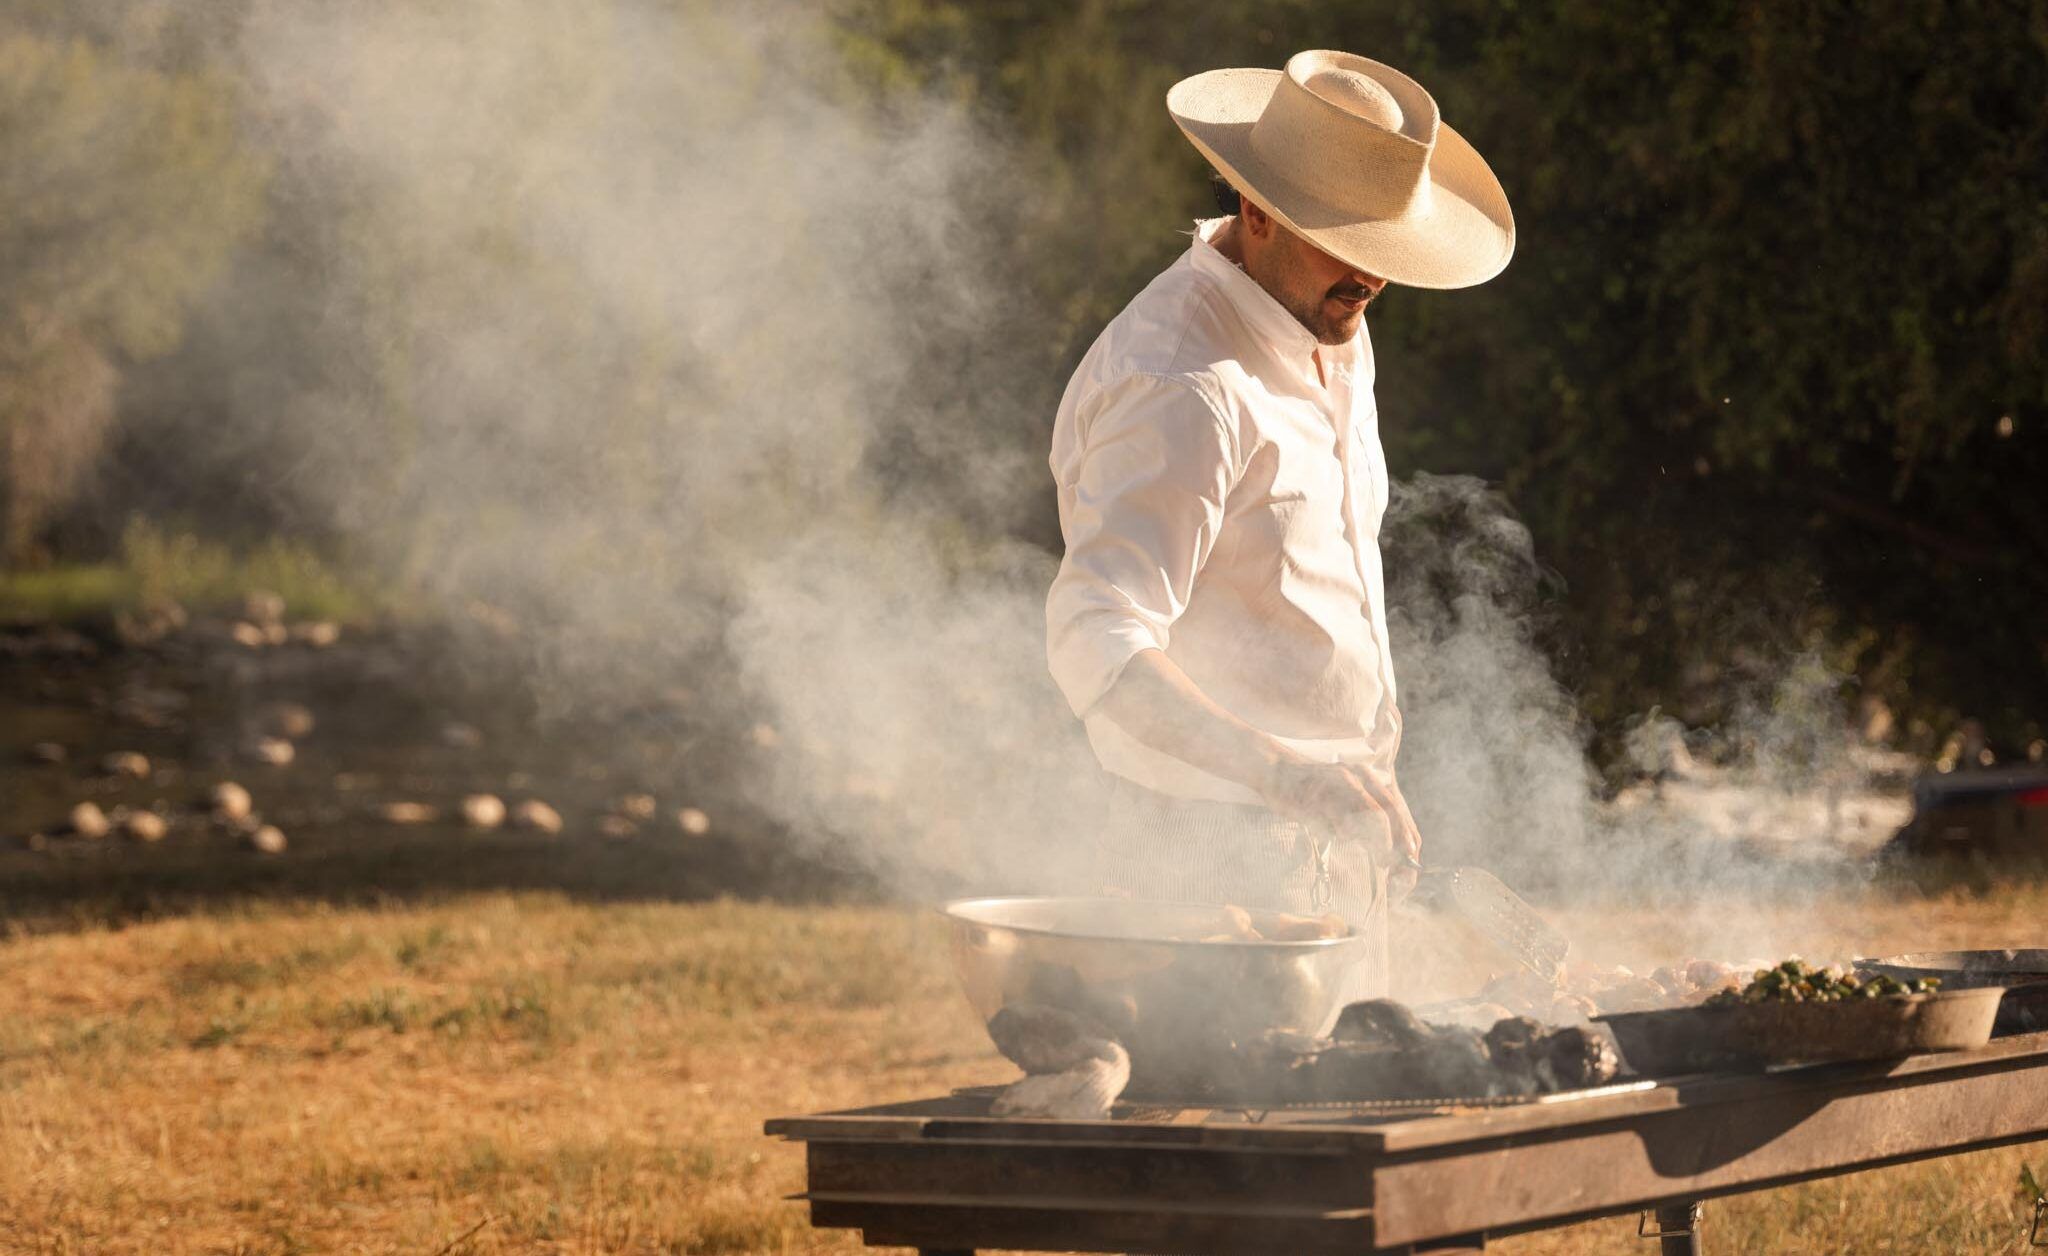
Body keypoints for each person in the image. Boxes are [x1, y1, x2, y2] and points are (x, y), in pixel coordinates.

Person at [1044, 50, 1515, 997]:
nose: (1372, 280)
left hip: (1328, 826)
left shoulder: (1323, 307)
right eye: (1347, 243)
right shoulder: (1178, 384)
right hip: (1204, 850)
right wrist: (1284, 776)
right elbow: (1095, 639)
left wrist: (1348, 774)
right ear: (1256, 212)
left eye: (1384, 250)